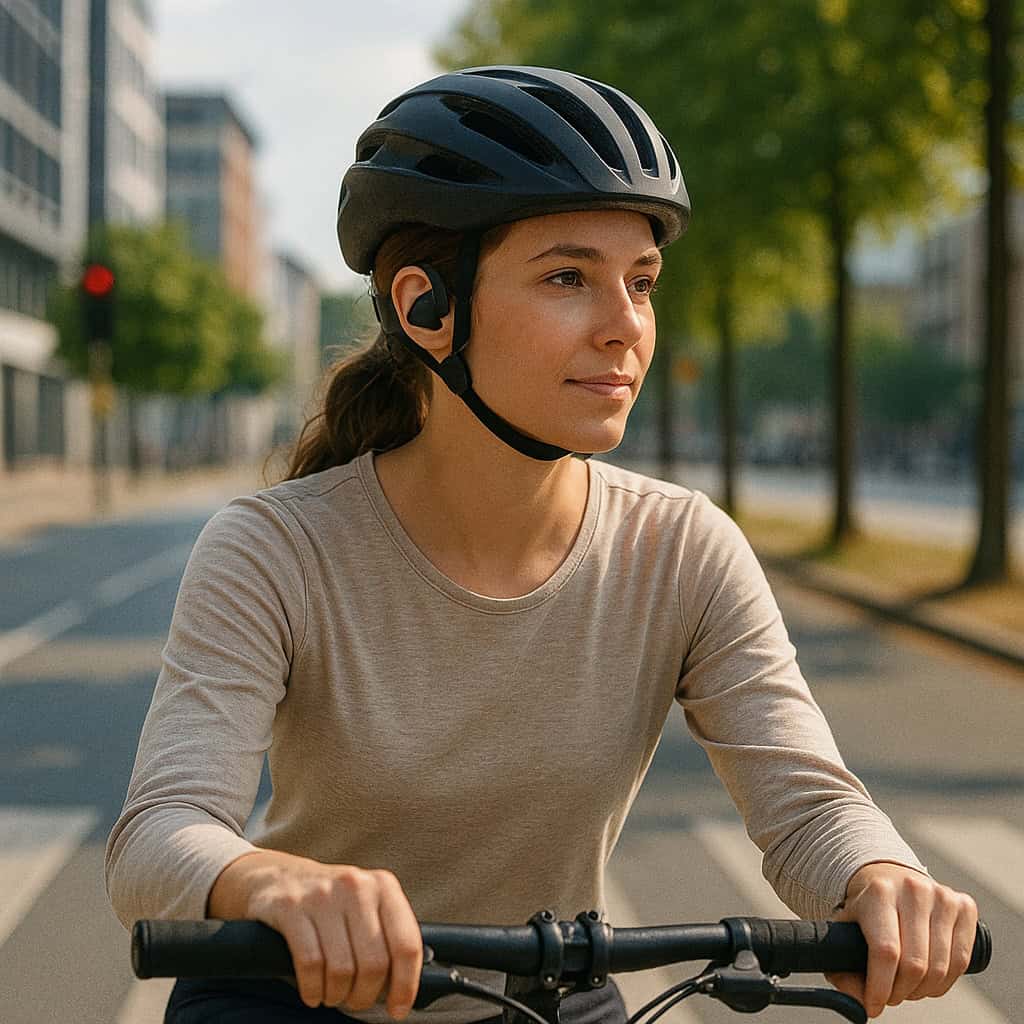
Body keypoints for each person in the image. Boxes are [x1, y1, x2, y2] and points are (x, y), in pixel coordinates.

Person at [104, 66, 978, 1023]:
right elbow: (162, 832)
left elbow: (809, 805)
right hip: (293, 1000)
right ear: (427, 308)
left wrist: (880, 873)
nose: (625, 328)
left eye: (641, 284)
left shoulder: (684, 550)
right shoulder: (275, 549)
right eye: (569, 278)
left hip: (549, 996)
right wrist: (272, 885)